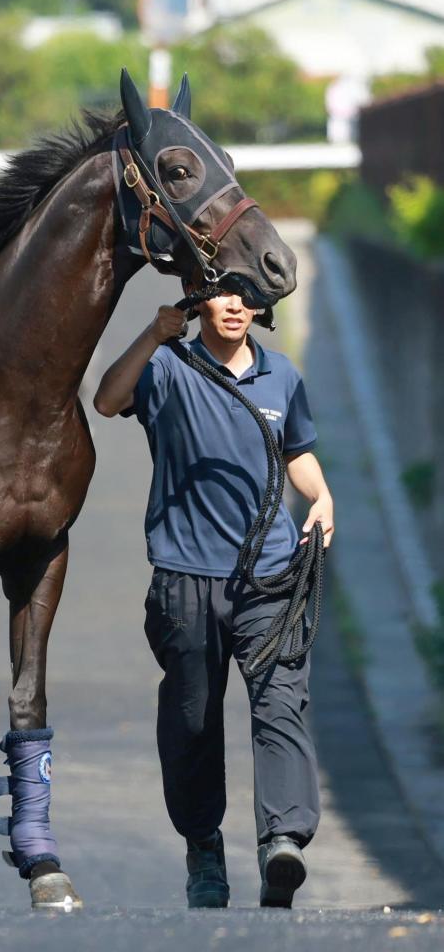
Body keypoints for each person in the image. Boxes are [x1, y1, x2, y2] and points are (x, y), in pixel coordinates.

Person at [93, 278, 334, 909]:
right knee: (193, 719)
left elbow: (296, 452)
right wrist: (152, 333)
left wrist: (322, 494)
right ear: (199, 300)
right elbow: (106, 399)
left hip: (272, 576)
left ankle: (281, 840)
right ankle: (204, 848)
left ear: (261, 307)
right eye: (222, 292)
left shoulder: (281, 375)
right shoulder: (168, 368)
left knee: (281, 702)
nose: (234, 305)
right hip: (185, 578)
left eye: (246, 295)